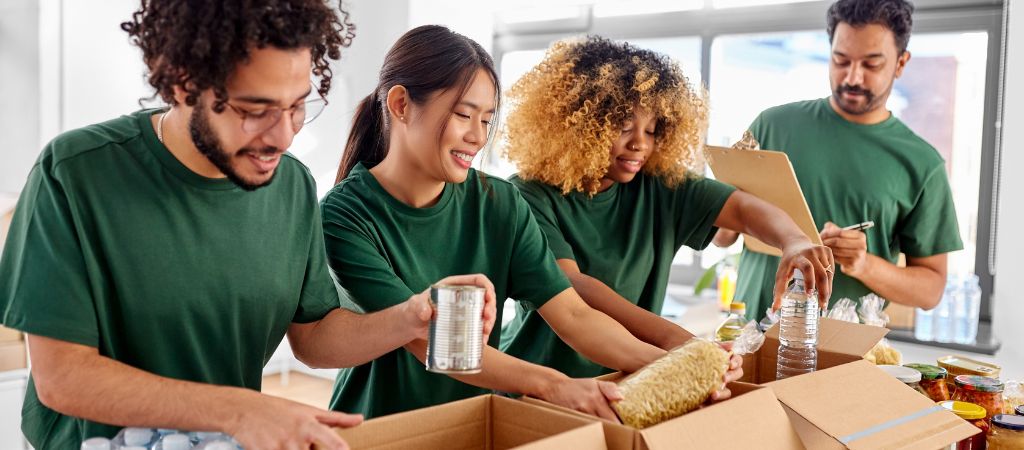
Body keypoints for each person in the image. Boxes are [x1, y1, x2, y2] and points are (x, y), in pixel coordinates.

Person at [0, 3, 495, 449]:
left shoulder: (291, 188)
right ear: (181, 82)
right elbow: (63, 378)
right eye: (255, 110)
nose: (282, 135)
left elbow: (315, 336)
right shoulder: (77, 172)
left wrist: (411, 316)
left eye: (298, 105)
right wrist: (241, 410)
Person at [321, 25, 743, 422]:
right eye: (464, 115)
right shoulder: (346, 214)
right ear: (400, 105)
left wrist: (681, 365)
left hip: (478, 421)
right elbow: (433, 341)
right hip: (381, 424)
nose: (477, 136)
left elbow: (574, 317)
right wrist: (554, 385)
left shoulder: (498, 201)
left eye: (486, 119)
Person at [498, 36, 834, 378]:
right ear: (581, 126)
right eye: (624, 127)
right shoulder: (528, 195)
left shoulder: (660, 185)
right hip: (540, 382)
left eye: (652, 129)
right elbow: (573, 286)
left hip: (629, 379)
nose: (640, 144)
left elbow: (745, 209)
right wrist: (679, 343)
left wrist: (793, 240)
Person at [714, 0, 962, 322]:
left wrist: (864, 264)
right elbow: (722, 238)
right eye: (841, 60)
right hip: (750, 342)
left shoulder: (921, 164)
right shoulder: (771, 126)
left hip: (844, 357)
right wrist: (728, 187)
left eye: (871, 65)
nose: (853, 77)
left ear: (901, 63)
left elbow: (930, 291)